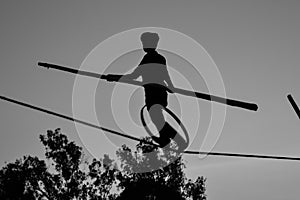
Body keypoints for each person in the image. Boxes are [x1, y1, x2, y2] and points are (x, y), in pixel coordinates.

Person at [109, 32, 186, 151]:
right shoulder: (160, 58)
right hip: (160, 93)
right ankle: (166, 139)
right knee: (158, 119)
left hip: (153, 93)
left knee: (156, 118)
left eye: (145, 43)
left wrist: (115, 77)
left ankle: (175, 140)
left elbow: (134, 75)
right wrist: (170, 86)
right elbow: (165, 75)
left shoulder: (148, 58)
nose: (143, 45)